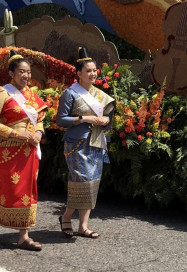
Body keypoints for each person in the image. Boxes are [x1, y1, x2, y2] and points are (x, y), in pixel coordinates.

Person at [0, 50, 47, 251]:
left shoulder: (32, 94)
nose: (26, 76)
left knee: (27, 190)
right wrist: (16, 134)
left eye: (28, 72)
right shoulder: (3, 93)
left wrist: (38, 133)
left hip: (30, 150)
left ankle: (23, 236)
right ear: (12, 73)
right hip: (9, 150)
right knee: (9, 189)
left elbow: (40, 119)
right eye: (21, 71)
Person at [56, 47, 115, 239]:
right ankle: (66, 217)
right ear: (79, 73)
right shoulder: (70, 94)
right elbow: (60, 120)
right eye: (88, 71)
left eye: (94, 70)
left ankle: (83, 226)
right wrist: (83, 118)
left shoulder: (98, 94)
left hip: (96, 142)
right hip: (76, 145)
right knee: (81, 181)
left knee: (92, 182)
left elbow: (107, 117)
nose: (92, 74)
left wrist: (106, 120)